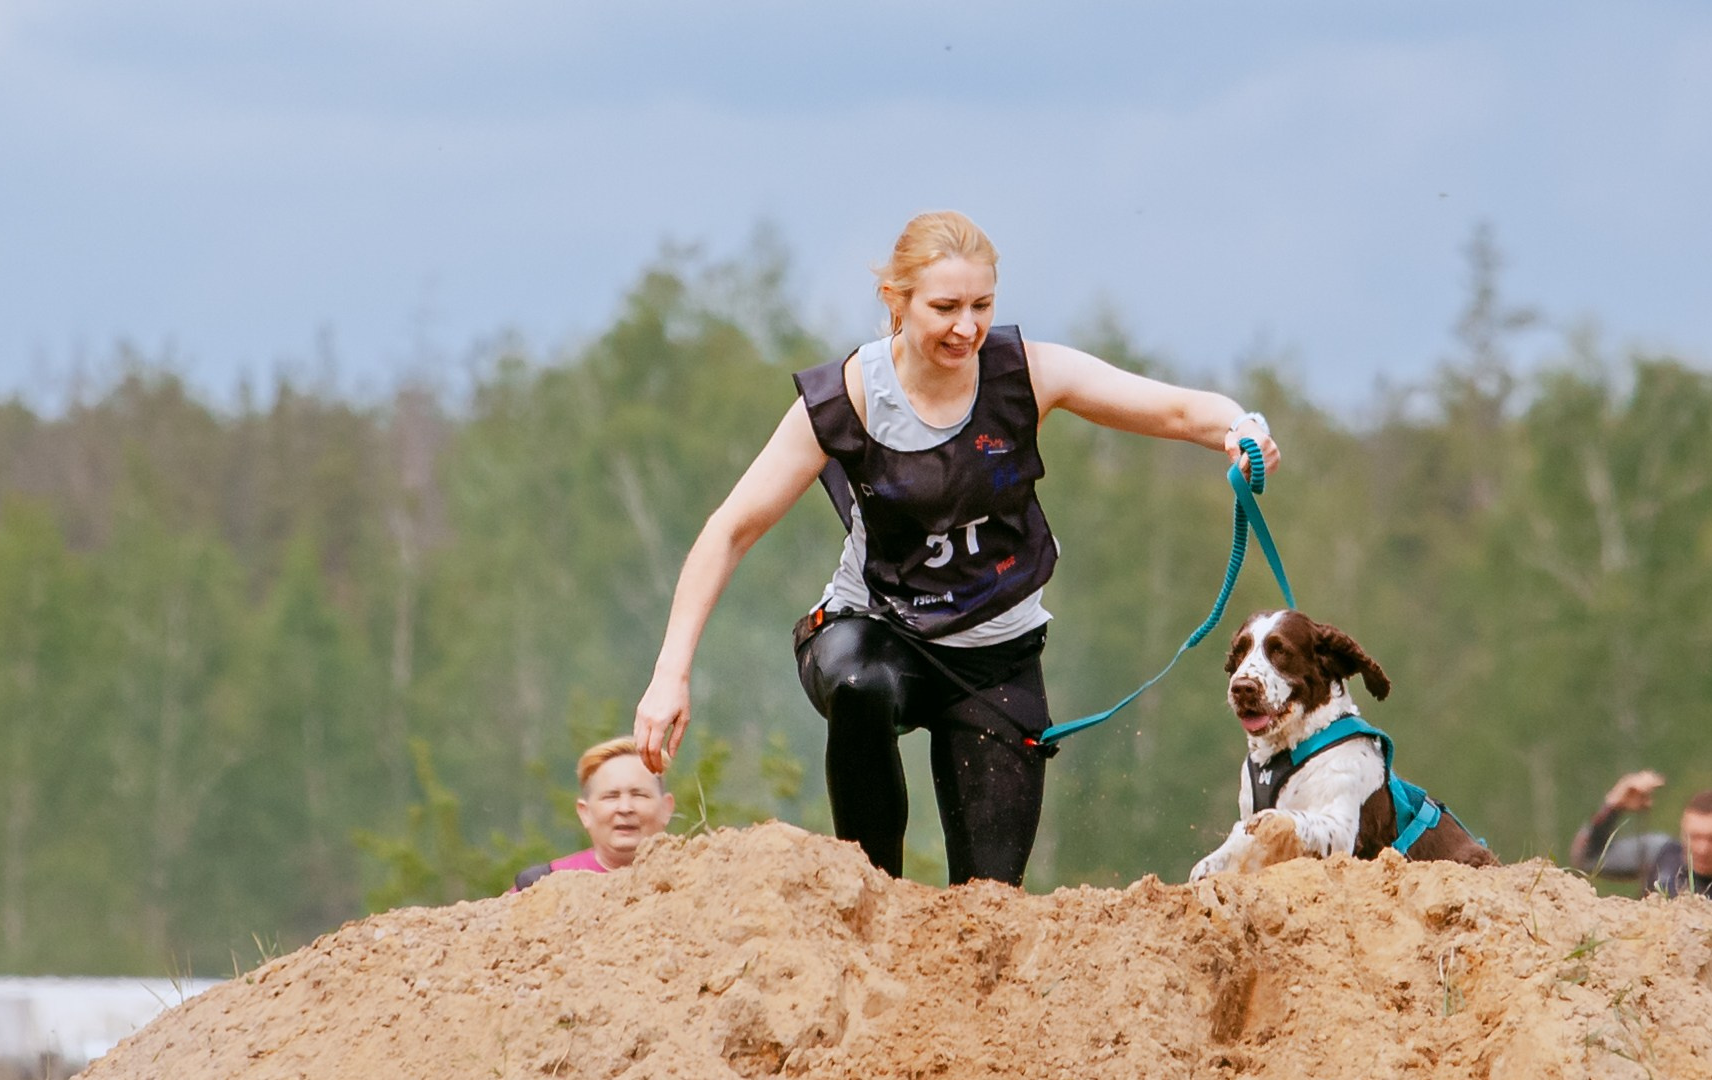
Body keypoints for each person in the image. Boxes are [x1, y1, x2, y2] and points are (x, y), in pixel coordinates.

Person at [633, 210, 1279, 887]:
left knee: (988, 899)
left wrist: (1240, 427)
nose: (966, 327)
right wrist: (671, 672)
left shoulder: (1025, 372)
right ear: (897, 300)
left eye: (981, 305)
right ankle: (870, 892)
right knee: (858, 687)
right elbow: (731, 528)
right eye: (944, 308)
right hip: (879, 633)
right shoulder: (852, 394)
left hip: (995, 657)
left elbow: (1176, 409)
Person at [1569, 771, 1712, 920]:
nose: (1702, 848)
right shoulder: (1661, 854)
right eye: (1694, 837)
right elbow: (1587, 858)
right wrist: (1613, 806)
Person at [511, 735, 675, 891]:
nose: (625, 808)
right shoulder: (538, 886)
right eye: (611, 796)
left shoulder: (686, 883)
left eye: (639, 795)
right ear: (585, 813)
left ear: (666, 808)